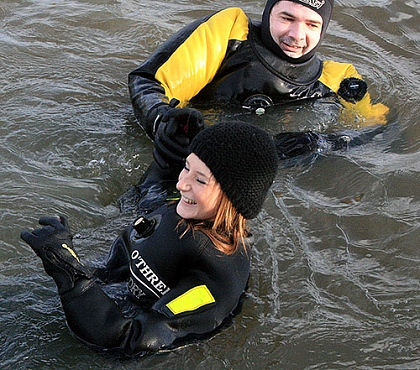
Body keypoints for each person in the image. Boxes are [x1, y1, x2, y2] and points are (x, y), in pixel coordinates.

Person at [20, 122, 279, 356]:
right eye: (186, 167)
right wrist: (166, 153)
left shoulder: (214, 278)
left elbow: (126, 341)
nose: (182, 184)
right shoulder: (184, 210)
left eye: (199, 180)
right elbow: (145, 197)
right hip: (109, 286)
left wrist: (69, 272)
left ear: (233, 198)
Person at [128, 0, 389, 166]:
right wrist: (164, 123)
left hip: (258, 172)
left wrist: (319, 142)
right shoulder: (230, 32)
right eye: (287, 18)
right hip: (187, 155)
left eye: (312, 24)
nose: (297, 35)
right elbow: (149, 83)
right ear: (268, 12)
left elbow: (374, 130)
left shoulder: (339, 78)